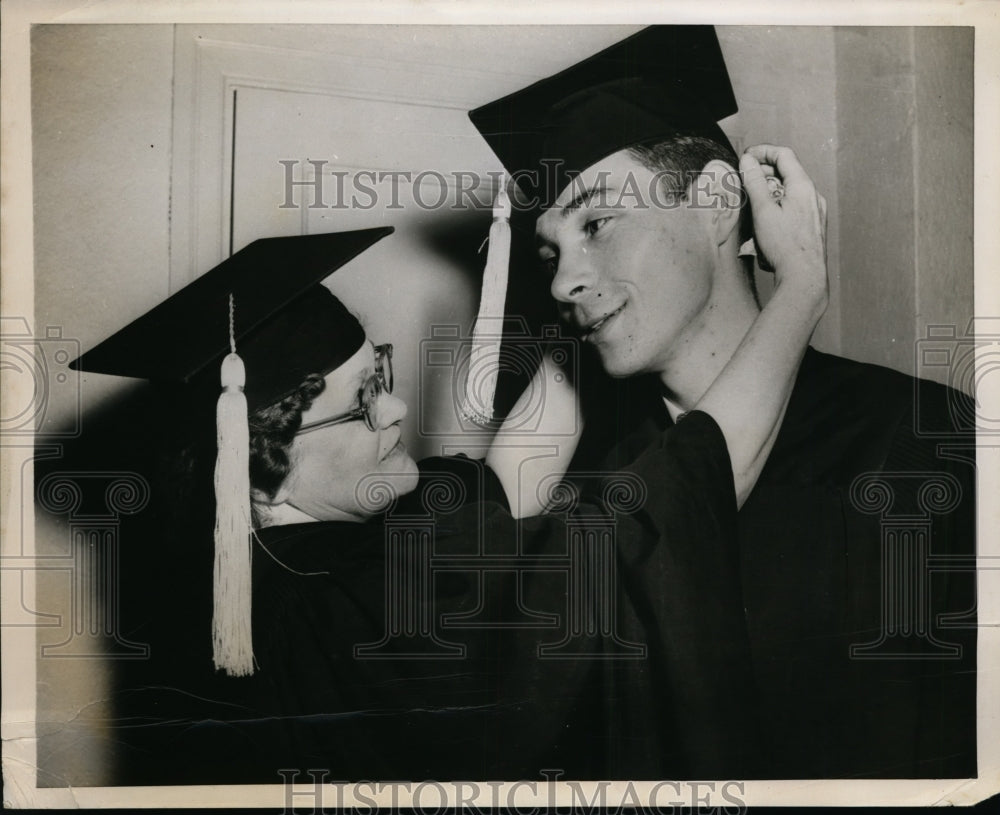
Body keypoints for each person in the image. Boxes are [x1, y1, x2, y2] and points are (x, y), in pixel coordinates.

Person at [71, 161, 828, 782]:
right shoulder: (339, 607)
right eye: (363, 405)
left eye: (384, 376)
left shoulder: (302, 556)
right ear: (262, 475)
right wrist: (800, 287)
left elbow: (499, 490)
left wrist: (590, 309)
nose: (396, 410)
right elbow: (652, 529)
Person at [468, 24, 976, 779]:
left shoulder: (923, 440)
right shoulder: (584, 496)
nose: (560, 282)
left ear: (714, 201)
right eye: (550, 252)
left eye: (597, 224)